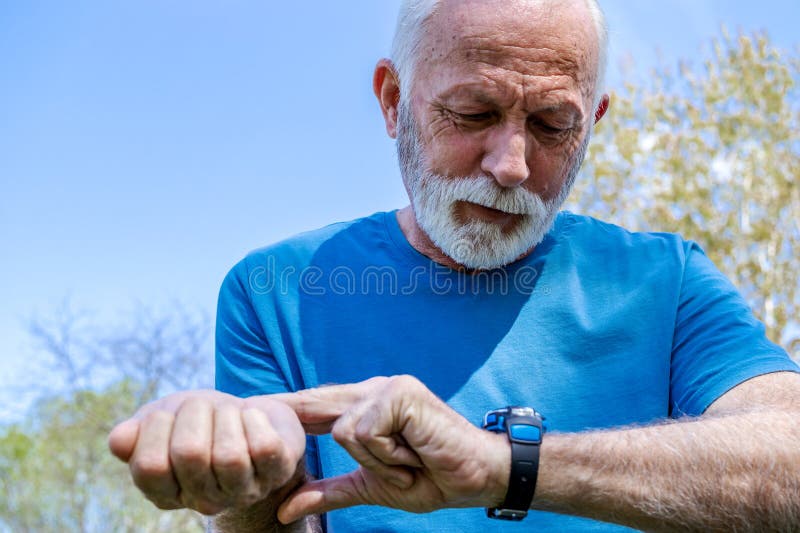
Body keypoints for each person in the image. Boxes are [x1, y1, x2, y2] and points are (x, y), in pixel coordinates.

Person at [108, 0, 800, 531]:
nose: (510, 165)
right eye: (472, 112)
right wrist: (242, 475)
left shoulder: (664, 281)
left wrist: (502, 465)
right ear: (391, 102)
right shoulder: (277, 290)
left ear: (595, 121)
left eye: (554, 125)